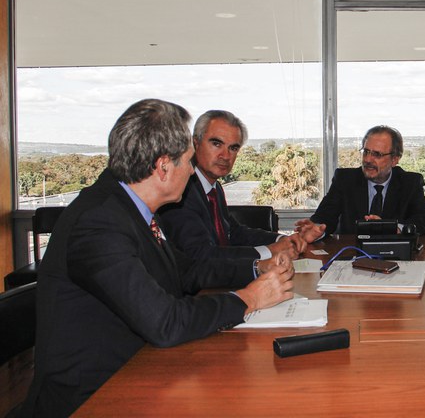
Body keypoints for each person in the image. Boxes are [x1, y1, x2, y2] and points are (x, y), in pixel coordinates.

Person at [23, 99, 294, 416]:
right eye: (188, 161)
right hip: (94, 397)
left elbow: (188, 271)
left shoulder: (130, 208)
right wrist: (248, 300)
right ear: (164, 166)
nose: (192, 171)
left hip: (141, 369)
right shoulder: (98, 222)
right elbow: (164, 322)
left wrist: (254, 268)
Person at [160, 110, 306, 260]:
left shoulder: (215, 189)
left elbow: (234, 233)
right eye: (216, 144)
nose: (225, 156)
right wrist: (269, 251)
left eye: (233, 148)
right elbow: (201, 256)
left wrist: (281, 240)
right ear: (195, 143)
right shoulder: (182, 191)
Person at [295, 125, 425, 240]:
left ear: (395, 159)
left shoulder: (409, 183)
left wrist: (394, 228)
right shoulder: (345, 179)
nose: (368, 159)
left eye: (377, 154)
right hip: (352, 257)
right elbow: (324, 217)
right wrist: (317, 231)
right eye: (366, 152)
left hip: (396, 258)